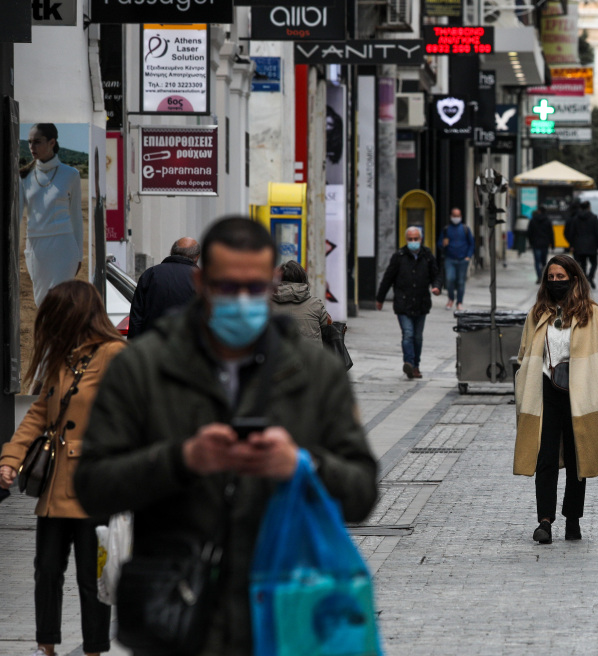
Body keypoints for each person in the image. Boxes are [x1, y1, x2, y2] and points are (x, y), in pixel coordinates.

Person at [74, 217, 376, 656]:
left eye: (253, 288)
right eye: (227, 286)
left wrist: (301, 467)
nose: (241, 300)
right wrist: (182, 460)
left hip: (283, 614)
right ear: (201, 281)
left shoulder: (314, 375)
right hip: (179, 615)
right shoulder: (143, 368)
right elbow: (92, 486)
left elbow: (362, 492)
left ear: (271, 284)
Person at [0, 281, 125, 656]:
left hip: (94, 484)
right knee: (47, 570)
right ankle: (46, 646)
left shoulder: (114, 354)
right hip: (54, 486)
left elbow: (135, 411)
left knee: (92, 575)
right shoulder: (61, 357)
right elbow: (39, 413)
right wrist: (10, 459)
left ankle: (93, 649)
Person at [513, 255, 598, 544]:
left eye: (562, 277)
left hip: (580, 393)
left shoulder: (592, 314)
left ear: (574, 278)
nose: (556, 282)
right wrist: (521, 384)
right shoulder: (537, 313)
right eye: (552, 277)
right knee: (544, 457)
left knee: (577, 458)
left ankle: (573, 519)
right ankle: (544, 521)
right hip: (544, 391)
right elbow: (524, 353)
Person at [20, 123, 83, 307]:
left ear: (52, 142)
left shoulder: (71, 174)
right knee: (42, 303)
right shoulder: (23, 176)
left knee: (62, 301)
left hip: (64, 247)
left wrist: (79, 255)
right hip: (36, 247)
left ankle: (63, 336)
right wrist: (24, 250)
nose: (32, 147)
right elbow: (16, 218)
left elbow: (76, 216)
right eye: (30, 142)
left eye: (37, 142)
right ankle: (47, 336)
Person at [377, 226, 443, 379]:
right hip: (403, 303)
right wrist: (380, 298)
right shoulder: (399, 257)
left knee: (418, 337)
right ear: (406, 240)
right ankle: (409, 363)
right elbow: (388, 278)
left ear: (421, 239)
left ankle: (416, 366)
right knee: (408, 334)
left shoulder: (427, 256)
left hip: (421, 303)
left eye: (416, 239)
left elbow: (436, 275)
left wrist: (437, 287)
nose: (413, 242)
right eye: (410, 239)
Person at [127, 237, 200, 339]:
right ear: (197, 257)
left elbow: (136, 317)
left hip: (151, 346)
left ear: (171, 252)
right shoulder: (201, 280)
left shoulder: (150, 274)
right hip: (187, 348)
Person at [270, 259, 330, 341]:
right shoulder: (316, 305)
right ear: (303, 279)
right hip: (310, 353)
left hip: (276, 353)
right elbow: (329, 330)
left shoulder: (265, 305)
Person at [440, 208, 474, 310]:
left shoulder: (465, 229)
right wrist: (443, 244)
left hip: (462, 260)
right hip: (449, 259)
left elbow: (471, 244)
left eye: (458, 216)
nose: (456, 218)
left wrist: (468, 256)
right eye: (454, 216)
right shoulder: (446, 229)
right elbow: (439, 244)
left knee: (460, 281)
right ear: (451, 216)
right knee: (450, 279)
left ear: (461, 217)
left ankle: (459, 302)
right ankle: (451, 298)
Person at [564, 201, 598, 288]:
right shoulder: (594, 218)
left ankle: (585, 278)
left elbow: (571, 233)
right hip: (592, 245)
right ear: (589, 207)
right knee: (594, 263)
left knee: (582, 264)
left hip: (579, 245)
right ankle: (590, 276)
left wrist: (572, 244)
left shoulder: (576, 219)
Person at [527, 207, 554, 283]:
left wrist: (531, 242)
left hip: (536, 243)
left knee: (537, 262)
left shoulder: (533, 220)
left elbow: (529, 232)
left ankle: (539, 276)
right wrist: (552, 244)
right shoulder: (548, 220)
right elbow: (551, 233)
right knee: (544, 262)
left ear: (539, 211)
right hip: (545, 243)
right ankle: (544, 276)